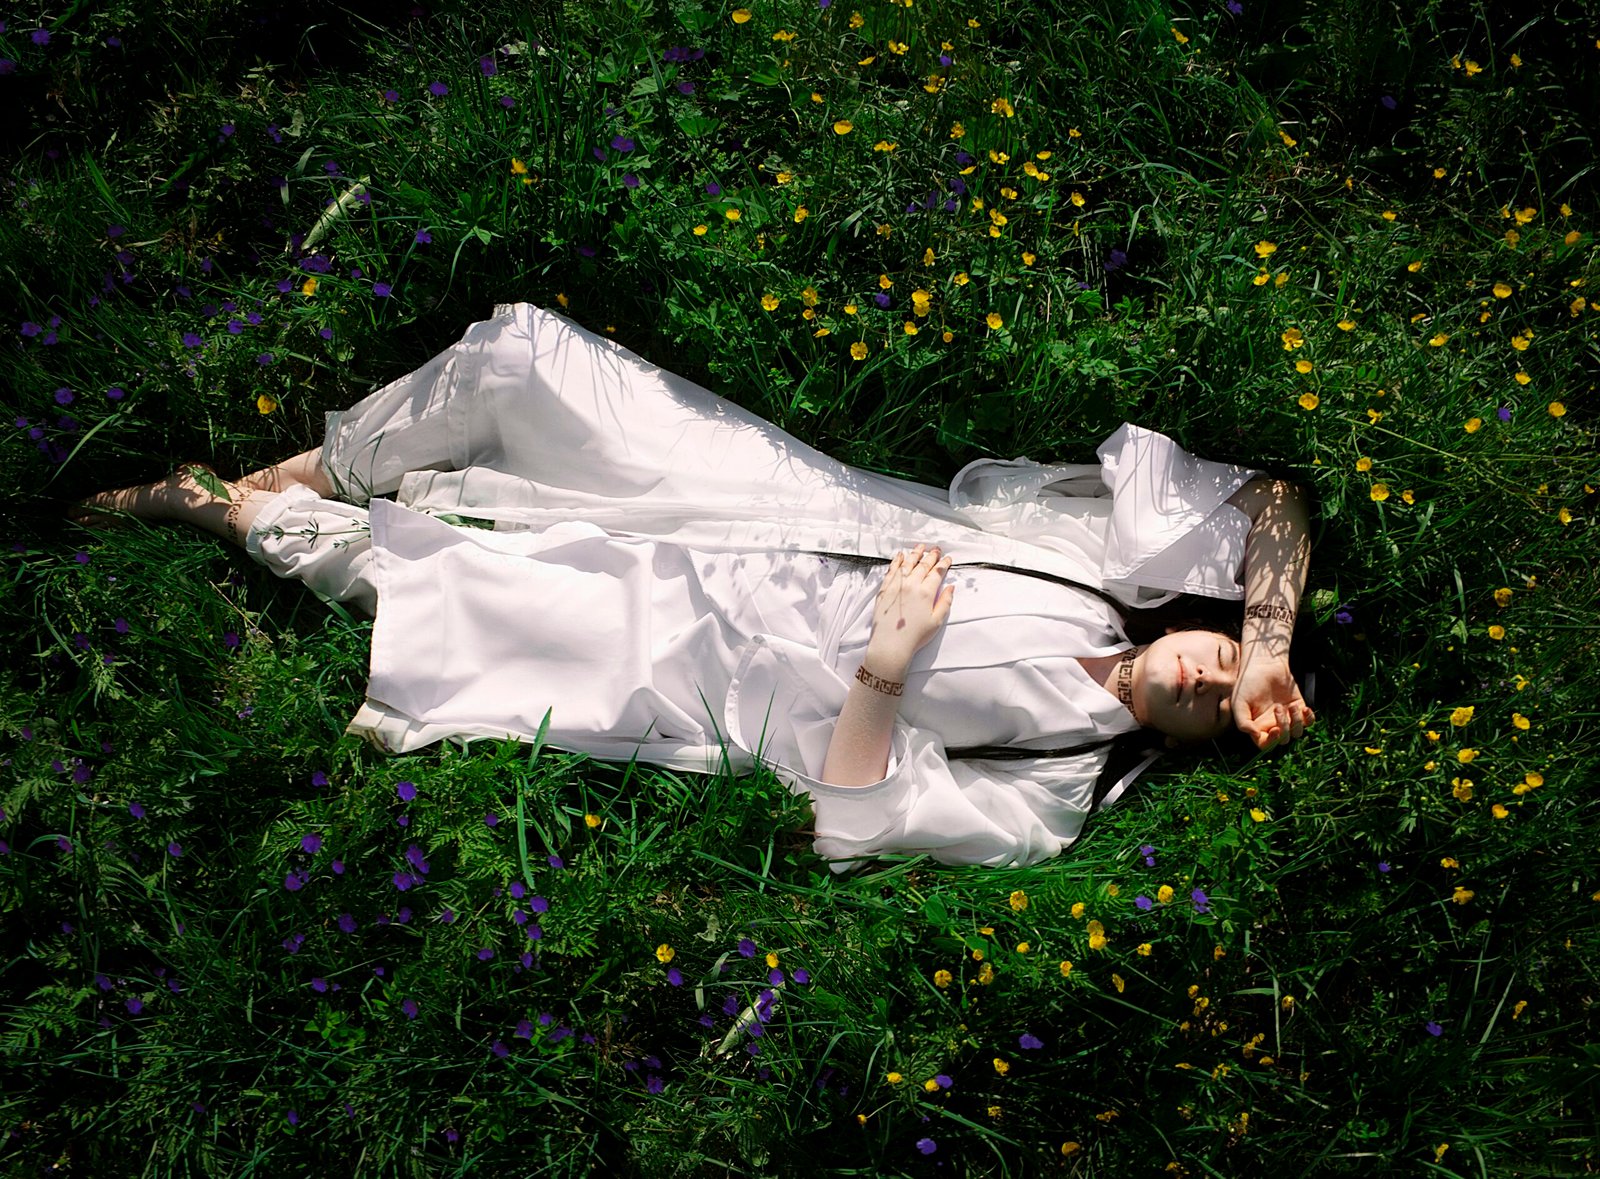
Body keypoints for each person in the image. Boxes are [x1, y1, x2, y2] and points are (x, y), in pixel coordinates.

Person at [73, 302, 1315, 872]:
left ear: (1178, 738)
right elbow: (1271, 501)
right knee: (522, 355)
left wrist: (888, 660)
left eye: (1212, 709)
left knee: (413, 587)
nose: (1207, 682)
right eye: (1220, 668)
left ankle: (221, 508)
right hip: (749, 497)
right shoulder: (1109, 569)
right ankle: (308, 466)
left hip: (693, 650)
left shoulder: (1053, 785)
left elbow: (856, 821)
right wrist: (1269, 646)